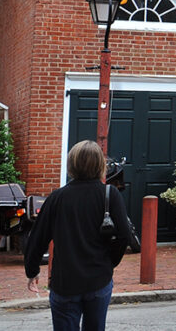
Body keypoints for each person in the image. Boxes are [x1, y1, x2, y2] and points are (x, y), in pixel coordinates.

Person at [24, 140, 131, 330]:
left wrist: (32, 271)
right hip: (98, 279)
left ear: (71, 164)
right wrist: (109, 262)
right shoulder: (110, 194)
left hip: (65, 282)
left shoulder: (57, 198)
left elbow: (37, 238)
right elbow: (124, 235)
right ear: (100, 165)